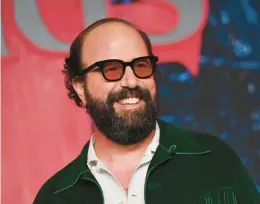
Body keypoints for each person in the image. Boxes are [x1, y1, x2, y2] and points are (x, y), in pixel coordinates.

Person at [33, 18, 260, 204]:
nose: (131, 81)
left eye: (141, 66)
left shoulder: (215, 162)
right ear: (80, 88)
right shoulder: (55, 197)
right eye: (111, 69)